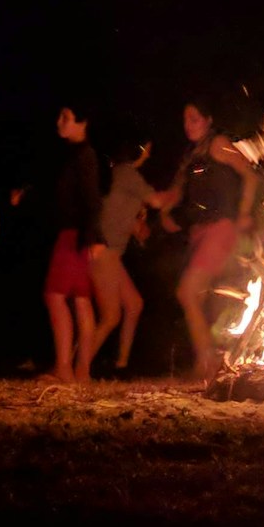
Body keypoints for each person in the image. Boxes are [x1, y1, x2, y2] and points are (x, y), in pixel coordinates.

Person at [147, 99, 259, 380]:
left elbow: (250, 175)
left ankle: (206, 363)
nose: (188, 125)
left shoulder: (218, 144)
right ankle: (214, 362)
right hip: (200, 232)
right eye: (185, 120)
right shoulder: (190, 155)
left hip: (222, 229)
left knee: (187, 292)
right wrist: (162, 210)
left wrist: (244, 213)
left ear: (208, 120)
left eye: (194, 118)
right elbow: (173, 193)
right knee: (199, 298)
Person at [39, 103, 105, 382]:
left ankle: (65, 368)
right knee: (81, 301)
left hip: (75, 235)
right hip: (80, 234)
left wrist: (92, 237)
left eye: (65, 117)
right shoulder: (76, 155)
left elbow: (92, 199)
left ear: (82, 122)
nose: (59, 122)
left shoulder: (84, 155)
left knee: (55, 296)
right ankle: (82, 372)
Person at [90, 138, 155, 373]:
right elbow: (157, 200)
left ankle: (121, 365)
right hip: (104, 251)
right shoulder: (127, 176)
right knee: (110, 317)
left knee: (134, 304)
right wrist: (179, 188)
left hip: (110, 252)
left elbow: (138, 231)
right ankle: (75, 366)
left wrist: (138, 223)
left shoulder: (120, 176)